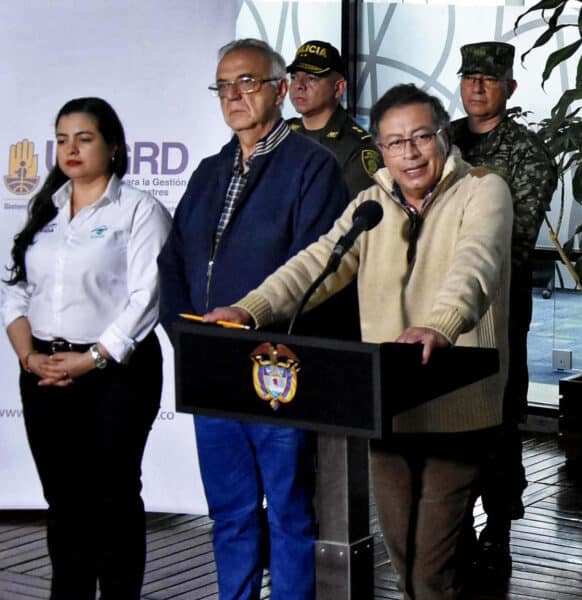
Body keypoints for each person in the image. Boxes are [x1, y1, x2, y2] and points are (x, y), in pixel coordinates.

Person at [203, 83, 512, 600]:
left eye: (421, 138)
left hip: (457, 405)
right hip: (385, 406)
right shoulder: (371, 203)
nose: (409, 153)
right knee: (406, 562)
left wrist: (440, 322)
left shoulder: (483, 190)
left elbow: (475, 265)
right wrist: (249, 310)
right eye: (394, 142)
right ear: (381, 149)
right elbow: (315, 265)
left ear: (443, 136)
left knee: (431, 572)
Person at [156, 38, 349, 600]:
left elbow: (315, 270)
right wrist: (188, 338)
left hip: (276, 370)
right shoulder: (210, 170)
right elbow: (172, 262)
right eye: (223, 85)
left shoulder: (312, 168)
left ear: (280, 89)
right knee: (231, 511)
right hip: (213, 370)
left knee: (290, 511)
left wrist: (256, 332)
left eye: (248, 82)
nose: (233, 95)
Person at [2, 97, 171, 598]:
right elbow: (13, 289)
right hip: (44, 371)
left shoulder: (139, 209)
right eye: (60, 139)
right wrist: (29, 356)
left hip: (115, 374)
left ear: (113, 147)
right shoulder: (44, 209)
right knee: (64, 500)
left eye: (84, 138)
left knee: (113, 498)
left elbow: (147, 296)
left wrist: (92, 358)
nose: (70, 149)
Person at [449, 40, 557, 577]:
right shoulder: (439, 140)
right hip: (433, 303)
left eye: (488, 79)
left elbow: (511, 241)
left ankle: (499, 526)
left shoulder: (528, 154)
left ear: (509, 89)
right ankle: (454, 525)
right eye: (469, 77)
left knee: (496, 416)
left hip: (498, 303)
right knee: (443, 414)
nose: (476, 86)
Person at [286, 39, 382, 199]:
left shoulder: (356, 147)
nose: (299, 85)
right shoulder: (280, 133)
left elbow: (355, 216)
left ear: (338, 88)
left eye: (311, 78)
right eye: (294, 77)